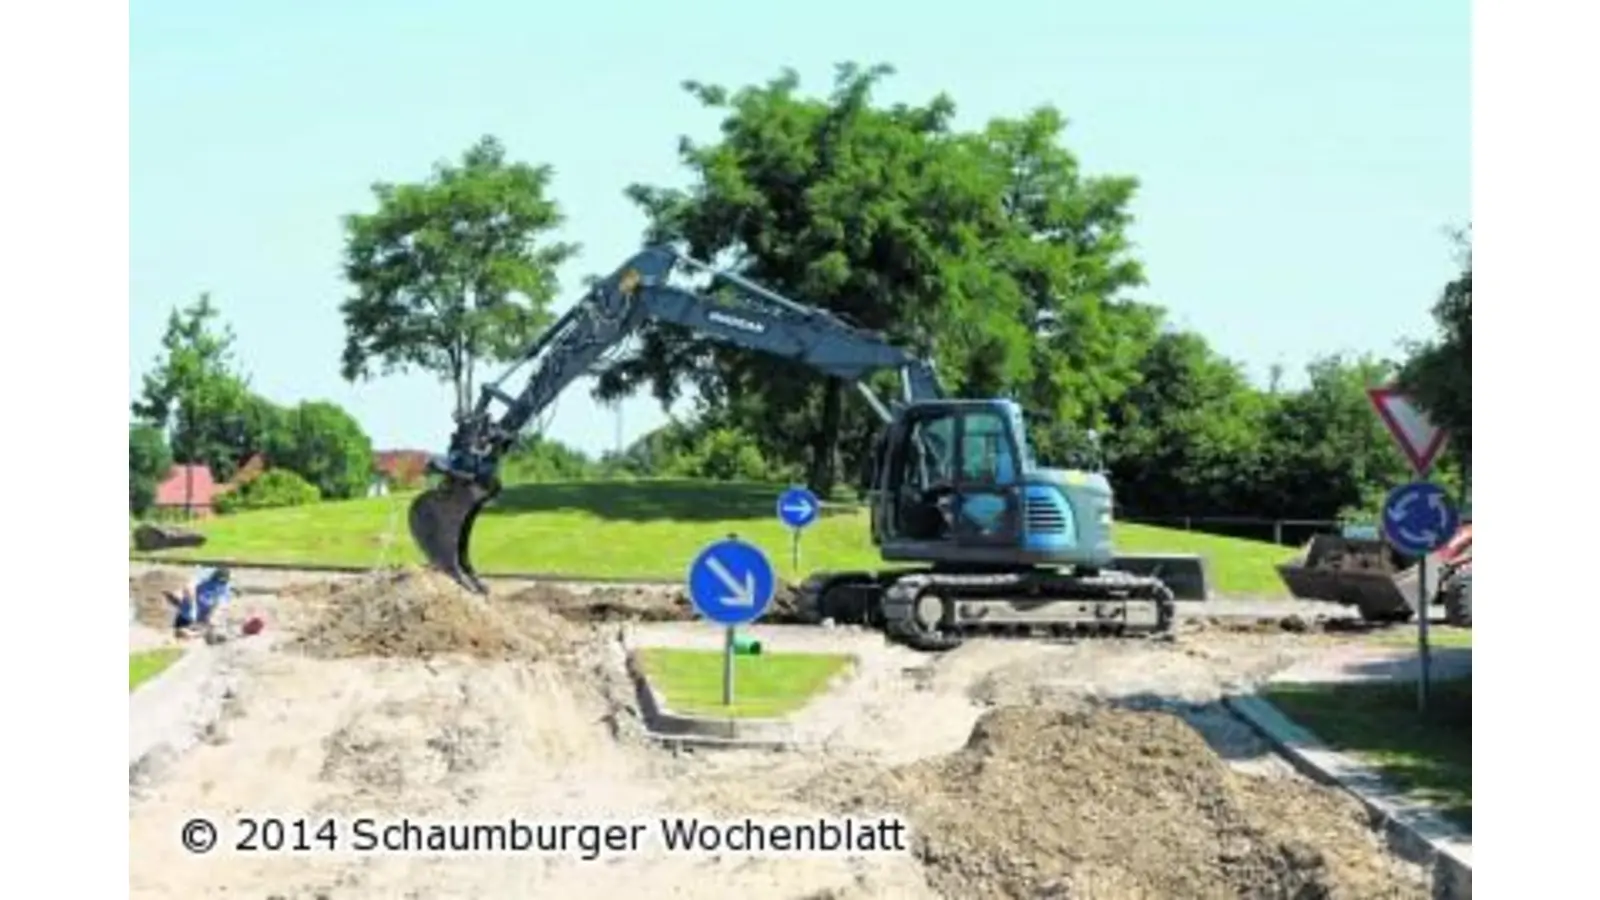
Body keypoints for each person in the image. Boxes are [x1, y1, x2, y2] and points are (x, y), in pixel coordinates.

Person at [168, 566, 232, 639]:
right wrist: (193, 608)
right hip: (187, 614)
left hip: (203, 618)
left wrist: (212, 617)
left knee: (207, 627)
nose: (222, 582)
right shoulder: (205, 576)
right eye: (220, 579)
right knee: (180, 634)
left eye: (223, 581)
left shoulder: (225, 586)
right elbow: (189, 587)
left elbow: (220, 603)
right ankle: (191, 633)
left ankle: (197, 634)